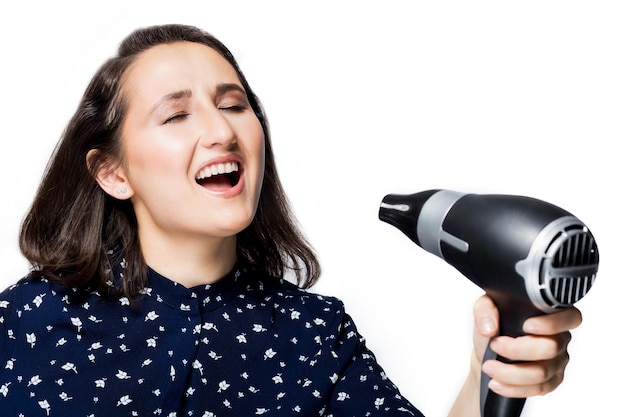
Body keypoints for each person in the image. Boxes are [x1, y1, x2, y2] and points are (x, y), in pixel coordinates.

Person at [0, 24, 581, 417]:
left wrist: (488, 371)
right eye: (176, 114)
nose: (222, 130)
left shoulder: (316, 336)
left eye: (232, 104)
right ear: (112, 173)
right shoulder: (22, 324)